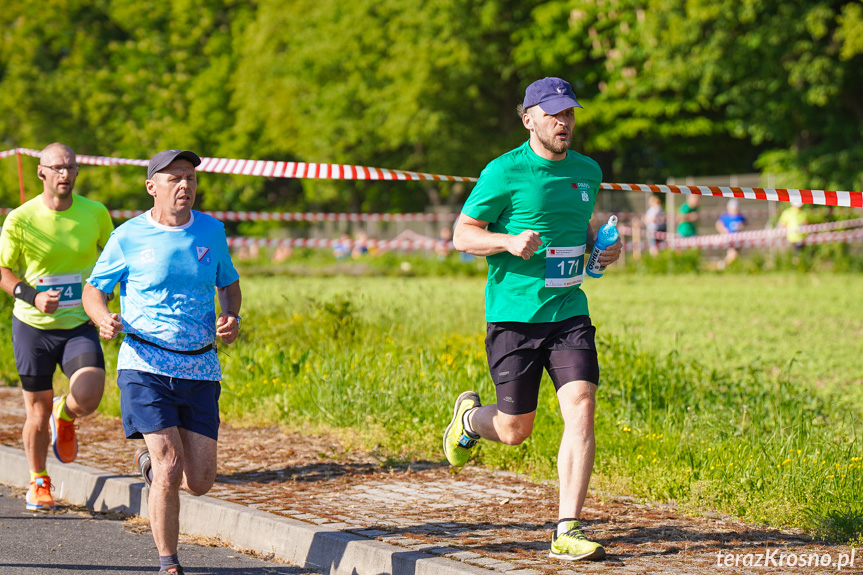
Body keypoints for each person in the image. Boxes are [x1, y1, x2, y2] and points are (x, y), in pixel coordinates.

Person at [442, 77, 621, 562]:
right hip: (515, 316)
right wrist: (505, 241)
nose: (564, 122)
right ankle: (468, 421)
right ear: (529, 119)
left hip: (568, 310)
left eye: (569, 114)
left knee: (582, 404)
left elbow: (578, 231)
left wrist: (600, 252)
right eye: (553, 114)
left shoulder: (587, 170)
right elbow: (462, 235)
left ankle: (567, 529)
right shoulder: (503, 172)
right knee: (515, 429)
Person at [82, 149, 242, 575]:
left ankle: (152, 472)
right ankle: (168, 562)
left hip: (200, 366)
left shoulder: (211, 230)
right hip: (144, 363)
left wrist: (232, 316)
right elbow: (94, 291)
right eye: (174, 179)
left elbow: (229, 284)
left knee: (200, 482)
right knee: (171, 465)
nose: (184, 185)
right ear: (152, 187)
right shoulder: (128, 236)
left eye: (189, 177)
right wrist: (103, 318)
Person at [0, 143, 113, 511]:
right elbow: (3, 271)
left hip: (79, 323)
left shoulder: (95, 213)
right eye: (57, 168)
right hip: (33, 327)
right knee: (35, 411)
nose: (65, 174)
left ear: (77, 172)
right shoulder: (20, 218)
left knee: (90, 394)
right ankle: (38, 481)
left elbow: (112, 261)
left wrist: (106, 301)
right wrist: (30, 296)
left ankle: (64, 414)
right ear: (41, 172)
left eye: (71, 168)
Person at [715, 198, 747, 265]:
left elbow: (744, 224)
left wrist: (740, 226)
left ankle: (725, 265)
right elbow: (718, 225)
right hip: (729, 240)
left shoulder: (740, 216)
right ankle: (724, 265)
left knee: (735, 255)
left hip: (738, 239)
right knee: (733, 253)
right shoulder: (725, 217)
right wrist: (724, 232)